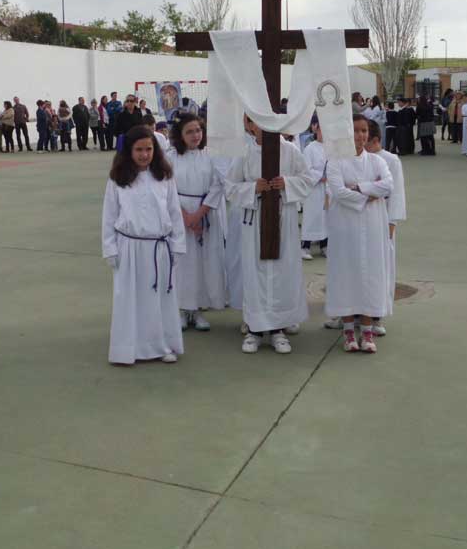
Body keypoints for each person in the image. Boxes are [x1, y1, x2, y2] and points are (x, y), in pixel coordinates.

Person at [226, 116, 311, 354]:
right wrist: (253, 187)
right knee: (255, 272)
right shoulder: (244, 152)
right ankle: (254, 328)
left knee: (283, 271)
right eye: (258, 123)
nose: (264, 128)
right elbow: (230, 187)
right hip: (255, 220)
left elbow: (306, 180)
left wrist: (287, 183)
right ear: (250, 125)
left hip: (283, 217)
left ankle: (278, 329)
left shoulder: (290, 150)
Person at [102, 125, 186, 364]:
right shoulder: (118, 179)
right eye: (139, 149)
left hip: (159, 248)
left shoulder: (164, 177)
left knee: (158, 299)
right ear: (129, 151)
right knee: (130, 299)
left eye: (148, 149)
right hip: (129, 247)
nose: (144, 154)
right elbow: (109, 215)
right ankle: (129, 348)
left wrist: (178, 244)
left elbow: (173, 211)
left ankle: (161, 345)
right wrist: (110, 248)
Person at [325, 115, 393, 354]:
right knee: (346, 272)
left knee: (369, 273)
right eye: (355, 131)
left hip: (373, 226)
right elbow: (338, 192)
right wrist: (370, 194)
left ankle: (366, 330)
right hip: (345, 227)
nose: (360, 136)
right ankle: (348, 331)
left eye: (364, 131)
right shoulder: (335, 161)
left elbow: (388, 185)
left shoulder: (377, 161)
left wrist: (360, 187)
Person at [166, 114, 225, 332]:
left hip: (205, 214)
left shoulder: (211, 156)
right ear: (180, 135)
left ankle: (198, 308)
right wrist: (185, 216)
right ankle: (182, 309)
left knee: (203, 262)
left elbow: (218, 185)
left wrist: (199, 214)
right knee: (183, 262)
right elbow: (166, 187)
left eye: (198, 130)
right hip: (179, 215)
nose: (195, 135)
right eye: (189, 131)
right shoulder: (170, 157)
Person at [364, 118, 405, 338]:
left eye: (365, 138)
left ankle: (377, 315)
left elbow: (396, 195)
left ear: (375, 140)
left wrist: (392, 224)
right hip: (360, 221)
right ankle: (352, 313)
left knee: (381, 269)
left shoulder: (390, 160)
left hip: (383, 222)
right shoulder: (359, 158)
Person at [300, 117, 328, 260]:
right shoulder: (310, 148)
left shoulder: (330, 148)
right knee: (312, 217)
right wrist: (320, 176)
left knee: (326, 218)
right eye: (322, 129)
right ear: (317, 130)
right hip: (314, 189)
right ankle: (305, 247)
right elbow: (305, 170)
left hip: (327, 189)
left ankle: (324, 246)